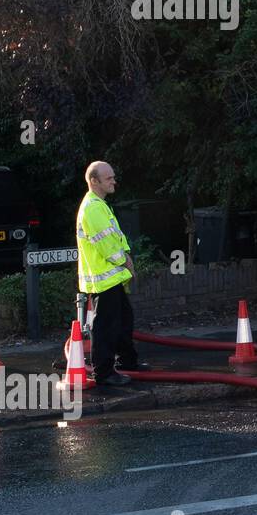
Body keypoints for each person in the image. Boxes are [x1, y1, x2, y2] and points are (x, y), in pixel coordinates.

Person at [76, 162, 145, 386]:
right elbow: (106, 244)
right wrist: (125, 260)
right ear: (93, 181)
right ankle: (103, 372)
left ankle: (127, 362)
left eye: (113, 177)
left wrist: (126, 257)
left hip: (112, 277)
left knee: (124, 320)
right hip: (105, 279)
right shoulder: (94, 208)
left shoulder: (100, 205)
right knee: (106, 326)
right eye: (109, 178)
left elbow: (114, 238)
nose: (114, 181)